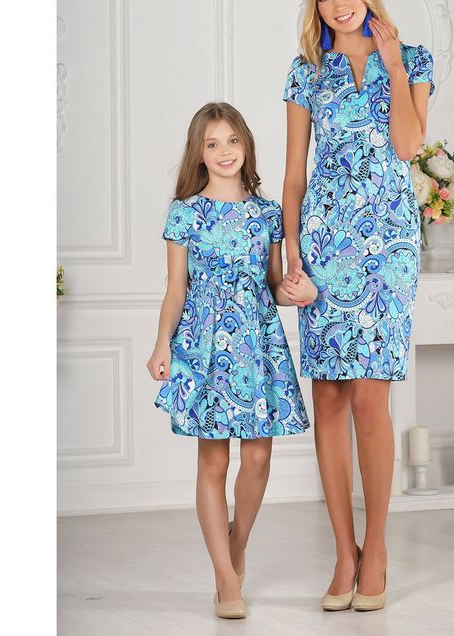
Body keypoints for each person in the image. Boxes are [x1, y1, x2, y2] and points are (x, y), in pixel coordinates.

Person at [281, 0, 436, 612]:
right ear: (315, 6)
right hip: (323, 249)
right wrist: (291, 253)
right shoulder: (306, 72)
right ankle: (343, 553)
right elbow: (293, 175)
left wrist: (395, 66)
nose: (337, 5)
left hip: (389, 250)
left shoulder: (415, 61)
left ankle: (377, 549)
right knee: (330, 400)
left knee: (371, 398)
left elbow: (408, 145)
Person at [146, 102, 316, 619]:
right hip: (204, 346)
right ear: (199, 153)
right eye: (213, 143)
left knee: (258, 458)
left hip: (257, 343)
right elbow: (176, 289)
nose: (225, 152)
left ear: (246, 144)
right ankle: (225, 578)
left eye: (232, 140)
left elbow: (273, 285)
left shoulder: (267, 214)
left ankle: (237, 542)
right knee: (214, 460)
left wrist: (296, 291)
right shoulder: (185, 213)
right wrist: (161, 344)